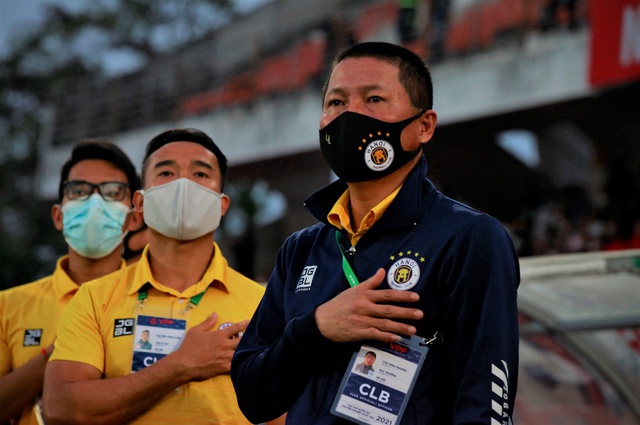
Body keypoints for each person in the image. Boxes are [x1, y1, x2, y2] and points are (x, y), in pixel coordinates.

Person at [231, 42, 520, 424]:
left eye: (374, 99)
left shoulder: (469, 238)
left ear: (424, 126)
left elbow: (485, 400)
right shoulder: (300, 250)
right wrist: (315, 329)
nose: (350, 115)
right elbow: (253, 398)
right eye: (335, 102)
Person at [42, 128, 284, 425]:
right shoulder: (95, 298)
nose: (183, 184)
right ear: (140, 203)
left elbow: (285, 414)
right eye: (166, 172)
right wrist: (180, 366)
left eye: (200, 173)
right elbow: (60, 408)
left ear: (221, 205)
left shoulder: (264, 303)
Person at [0, 139, 141, 425]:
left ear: (134, 219)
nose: (94, 202)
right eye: (79, 190)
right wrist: (61, 352)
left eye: (112, 192)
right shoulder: (8, 305)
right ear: (58, 216)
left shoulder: (155, 300)